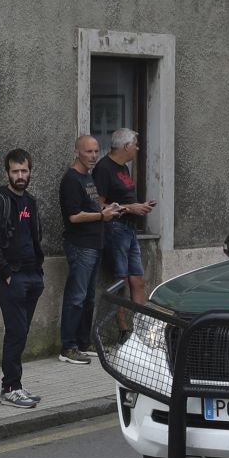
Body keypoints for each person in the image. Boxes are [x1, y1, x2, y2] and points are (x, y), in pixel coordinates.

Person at [0, 149, 45, 409]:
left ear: (30, 171)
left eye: (24, 171)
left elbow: (35, 236)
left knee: (22, 332)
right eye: (15, 171)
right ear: (7, 172)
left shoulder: (29, 201)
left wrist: (39, 271)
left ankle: (16, 385)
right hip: (11, 277)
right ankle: (10, 388)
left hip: (32, 276)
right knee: (15, 331)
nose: (20, 176)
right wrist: (6, 272)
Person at [58, 134, 120, 364]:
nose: (94, 156)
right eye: (88, 151)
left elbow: (94, 205)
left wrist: (111, 208)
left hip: (95, 244)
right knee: (76, 297)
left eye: (96, 151)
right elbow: (73, 216)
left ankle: (83, 342)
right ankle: (68, 347)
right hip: (81, 246)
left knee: (88, 298)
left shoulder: (89, 178)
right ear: (77, 152)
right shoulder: (71, 180)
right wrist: (101, 215)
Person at [94, 129, 154, 326]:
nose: (137, 148)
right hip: (115, 229)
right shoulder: (103, 168)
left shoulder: (124, 168)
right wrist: (131, 208)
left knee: (137, 280)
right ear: (126, 146)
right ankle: (123, 329)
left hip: (130, 229)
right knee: (121, 282)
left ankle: (142, 329)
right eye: (135, 144)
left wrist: (140, 207)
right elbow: (99, 205)